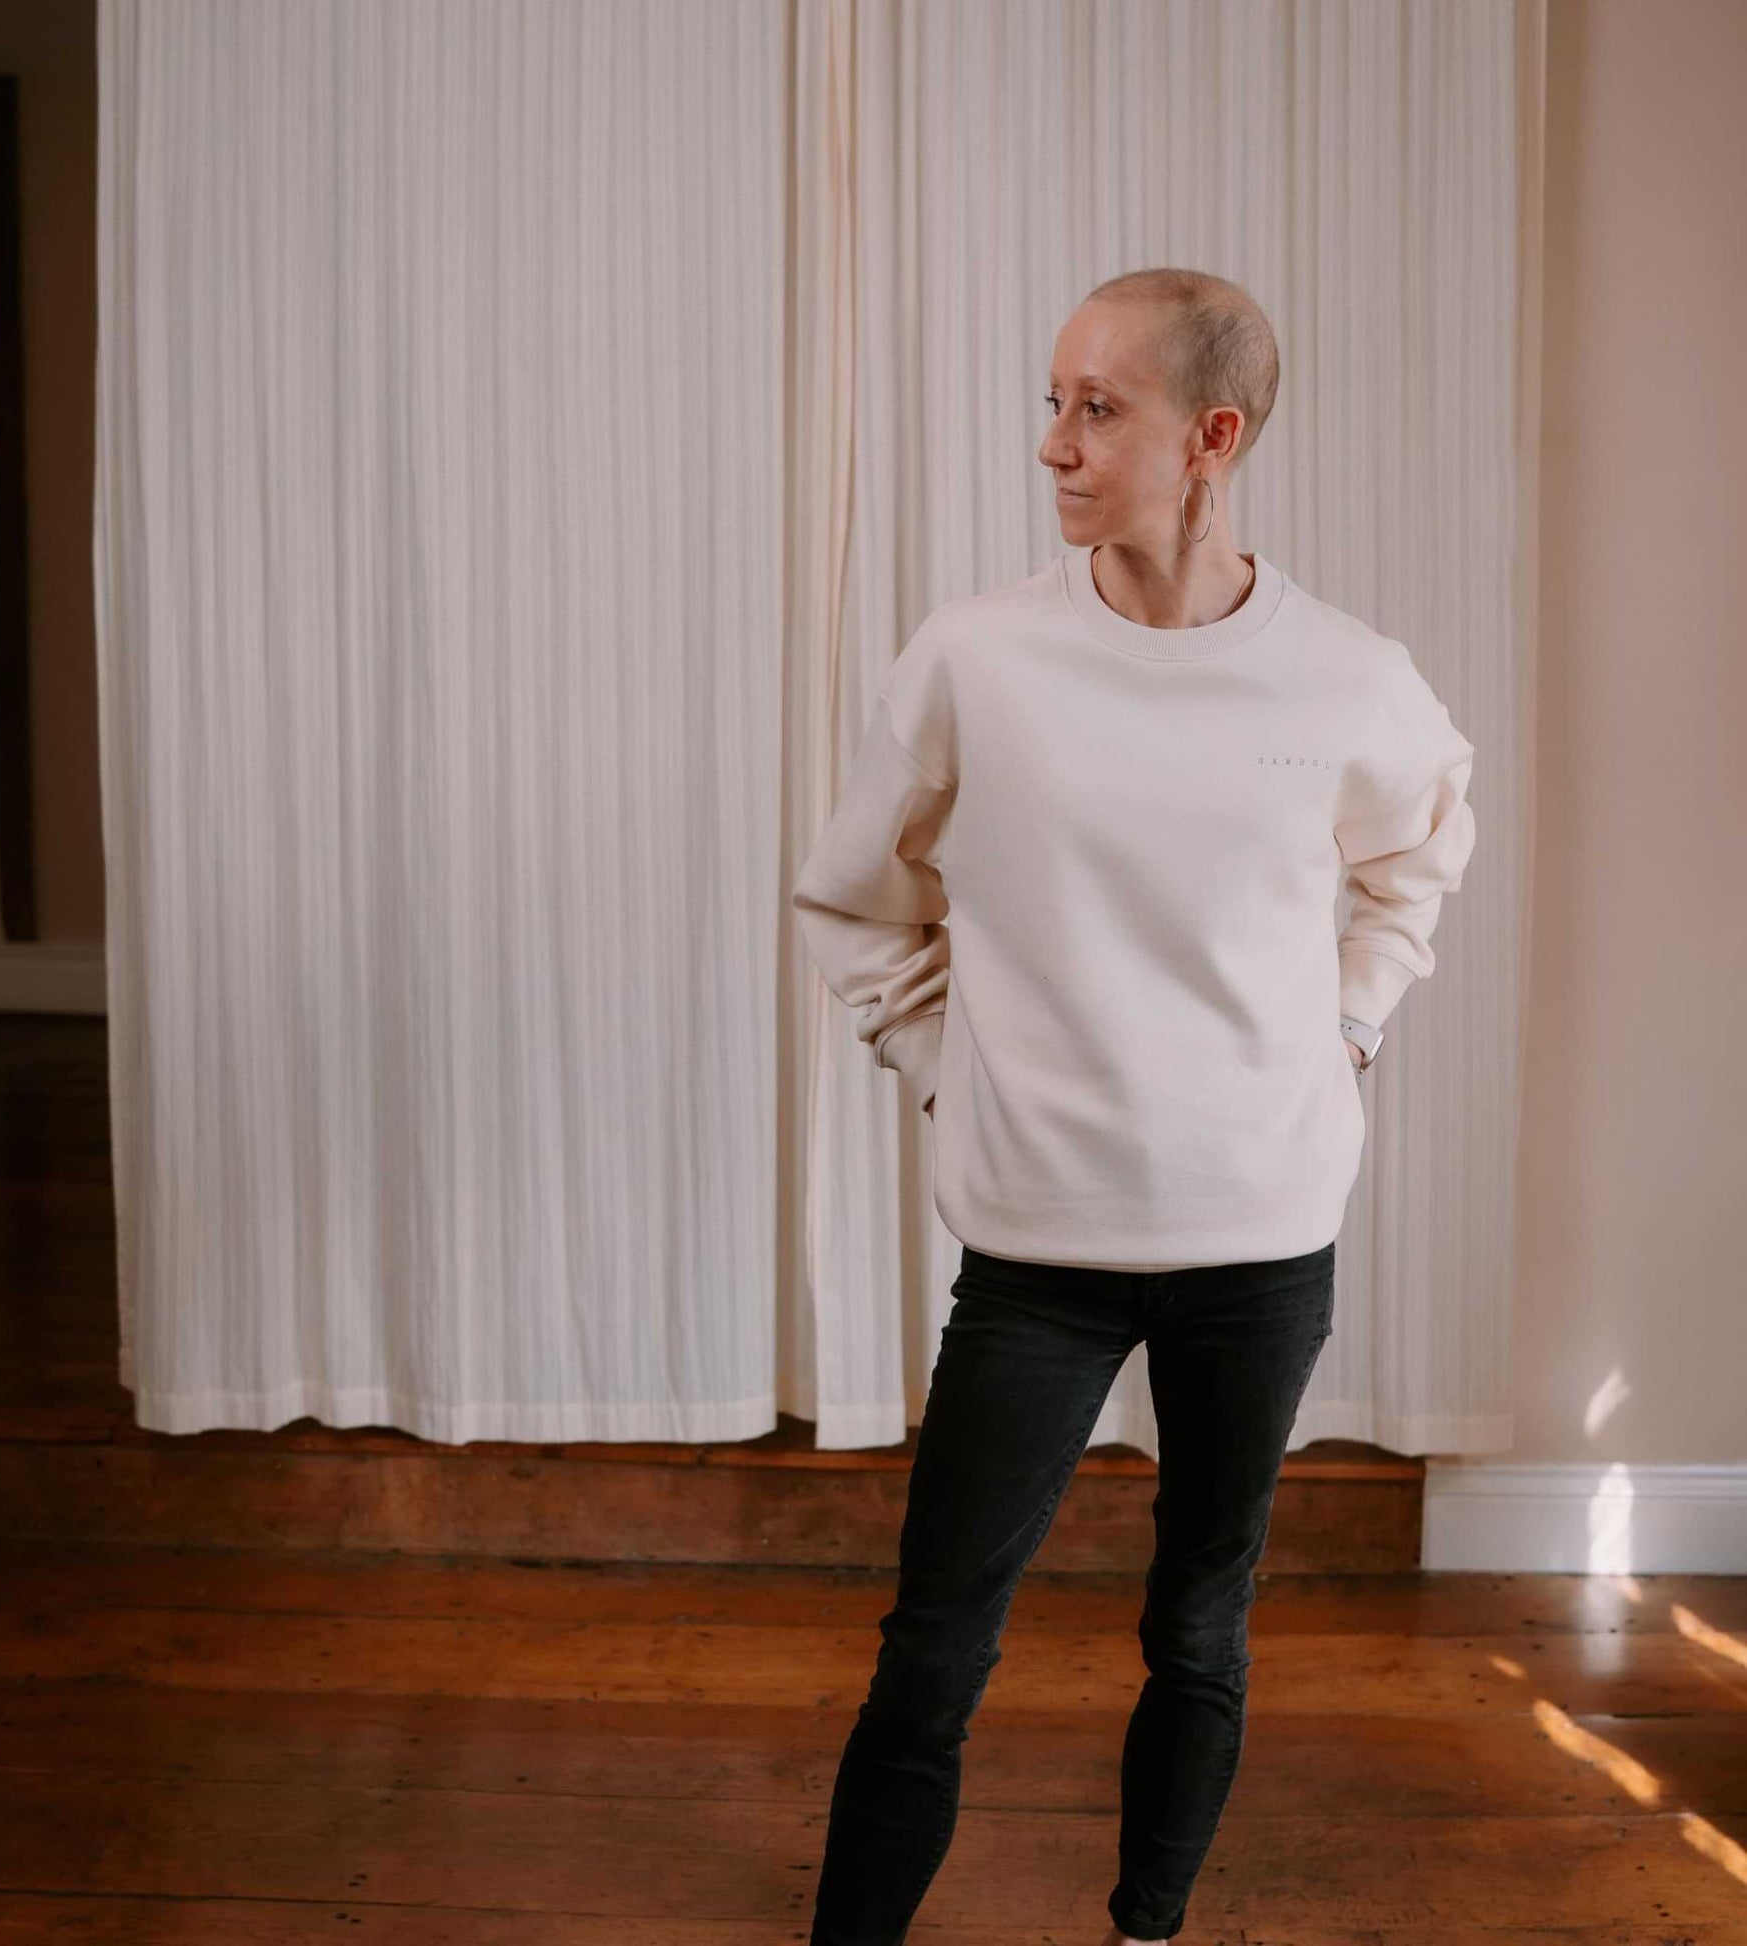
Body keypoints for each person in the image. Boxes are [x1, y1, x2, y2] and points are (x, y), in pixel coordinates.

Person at [789, 267, 1477, 1944]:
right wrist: (948, 1068)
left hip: (1261, 1236)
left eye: (1096, 408)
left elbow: (1417, 860)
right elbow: (853, 897)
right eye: (1053, 398)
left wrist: (1350, 1028)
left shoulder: (1346, 676)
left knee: (1200, 1622)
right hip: (1036, 1244)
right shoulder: (980, 656)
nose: (1054, 442)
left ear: (1210, 437)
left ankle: (1145, 1929)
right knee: (938, 1632)